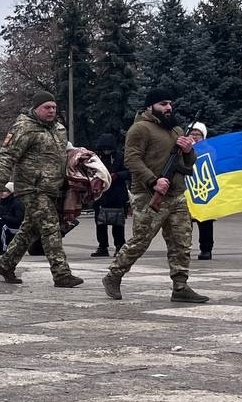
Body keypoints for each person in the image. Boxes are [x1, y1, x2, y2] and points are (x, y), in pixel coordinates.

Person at [103, 90, 207, 303]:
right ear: (150, 106)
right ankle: (113, 275)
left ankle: (180, 286)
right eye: (163, 103)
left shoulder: (176, 129)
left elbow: (189, 164)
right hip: (148, 194)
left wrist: (188, 150)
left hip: (176, 194)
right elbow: (132, 160)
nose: (168, 107)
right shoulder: (140, 129)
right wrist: (153, 181)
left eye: (170, 103)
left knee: (181, 242)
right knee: (141, 240)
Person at [0, 92, 83, 288]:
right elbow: (6, 156)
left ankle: (6, 264)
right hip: (31, 187)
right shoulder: (24, 128)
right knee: (50, 227)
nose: (51, 111)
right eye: (47, 107)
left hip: (52, 188)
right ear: (36, 109)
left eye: (54, 107)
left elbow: (64, 155)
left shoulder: (59, 129)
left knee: (29, 230)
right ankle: (61, 274)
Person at [91, 132, 130, 257]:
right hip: (100, 194)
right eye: (104, 149)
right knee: (100, 222)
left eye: (109, 149)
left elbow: (129, 172)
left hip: (117, 194)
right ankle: (102, 246)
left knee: (118, 223)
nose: (106, 151)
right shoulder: (96, 158)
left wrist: (117, 175)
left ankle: (119, 246)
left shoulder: (120, 157)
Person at [186, 123, 214, 260]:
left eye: (198, 134)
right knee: (184, 222)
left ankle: (206, 249)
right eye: (192, 133)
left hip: (204, 188)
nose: (195, 136)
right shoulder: (182, 148)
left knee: (205, 222)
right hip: (187, 188)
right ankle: (184, 248)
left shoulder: (209, 149)